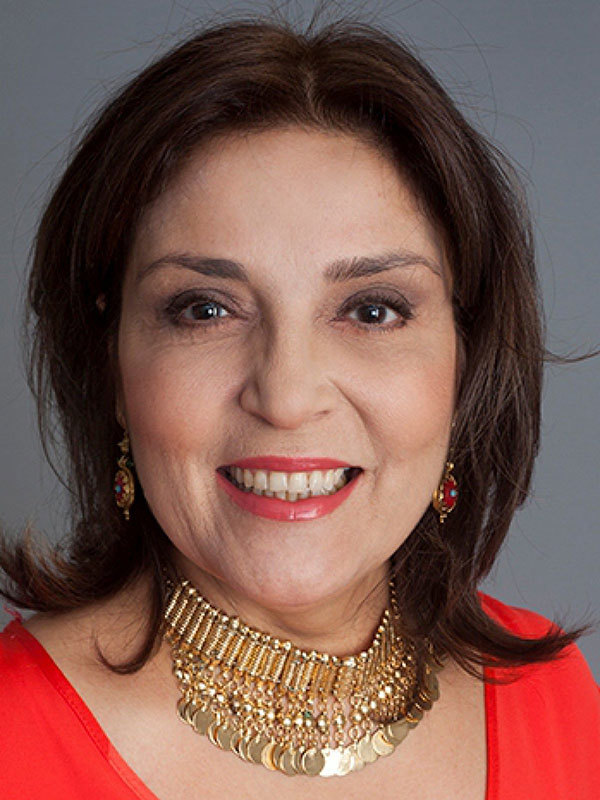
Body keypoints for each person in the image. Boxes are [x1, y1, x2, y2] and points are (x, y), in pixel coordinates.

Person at [0, 10, 598, 800]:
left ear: (467, 361)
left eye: (372, 310)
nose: (285, 397)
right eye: (205, 310)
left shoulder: (555, 696)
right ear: (111, 364)